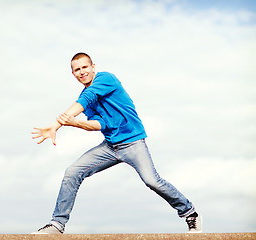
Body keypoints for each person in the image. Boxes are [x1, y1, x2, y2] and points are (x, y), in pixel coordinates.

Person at [31, 52, 202, 234]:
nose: (81, 72)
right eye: (77, 70)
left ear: (92, 67)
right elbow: (99, 124)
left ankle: (190, 213)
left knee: (152, 181)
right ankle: (57, 224)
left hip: (133, 143)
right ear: (73, 74)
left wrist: (56, 125)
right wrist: (77, 123)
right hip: (110, 147)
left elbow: (87, 98)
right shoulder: (85, 99)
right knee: (72, 172)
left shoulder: (106, 78)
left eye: (84, 67)